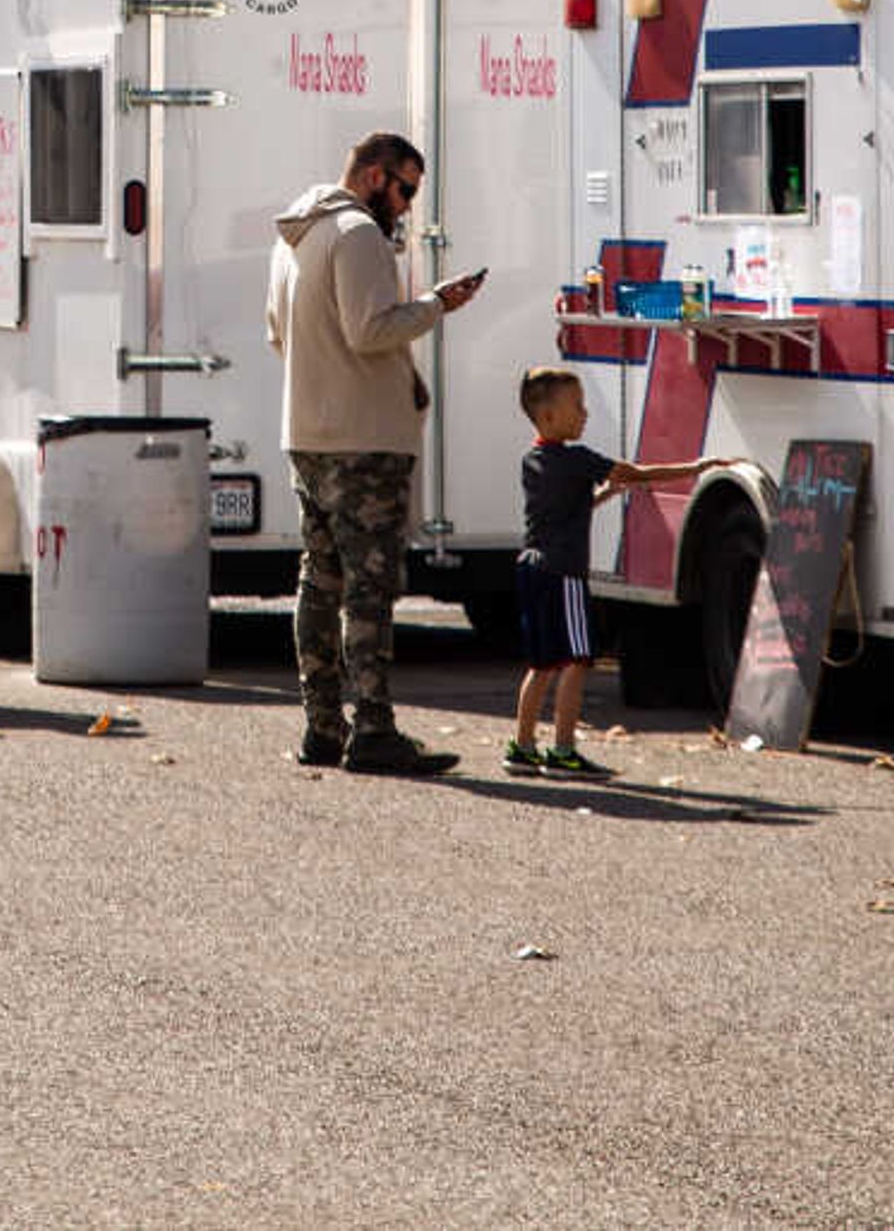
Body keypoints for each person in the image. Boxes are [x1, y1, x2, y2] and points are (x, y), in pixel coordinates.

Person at [267, 131, 485, 777]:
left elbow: (276, 331)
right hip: (363, 442)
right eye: (405, 188)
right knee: (368, 588)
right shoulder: (358, 232)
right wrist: (434, 304)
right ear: (371, 175)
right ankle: (374, 729)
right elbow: (369, 330)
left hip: (307, 432)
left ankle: (321, 727)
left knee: (319, 579)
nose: (408, 205)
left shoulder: (297, 233)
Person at [501, 367, 694, 780]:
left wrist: (603, 494)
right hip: (563, 572)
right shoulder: (576, 459)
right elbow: (636, 473)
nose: (585, 414)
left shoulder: (533, 459)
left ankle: (522, 747)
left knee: (542, 663)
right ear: (549, 416)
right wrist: (697, 465)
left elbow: (562, 512)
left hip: (532, 568)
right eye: (578, 406)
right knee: (577, 659)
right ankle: (565, 750)